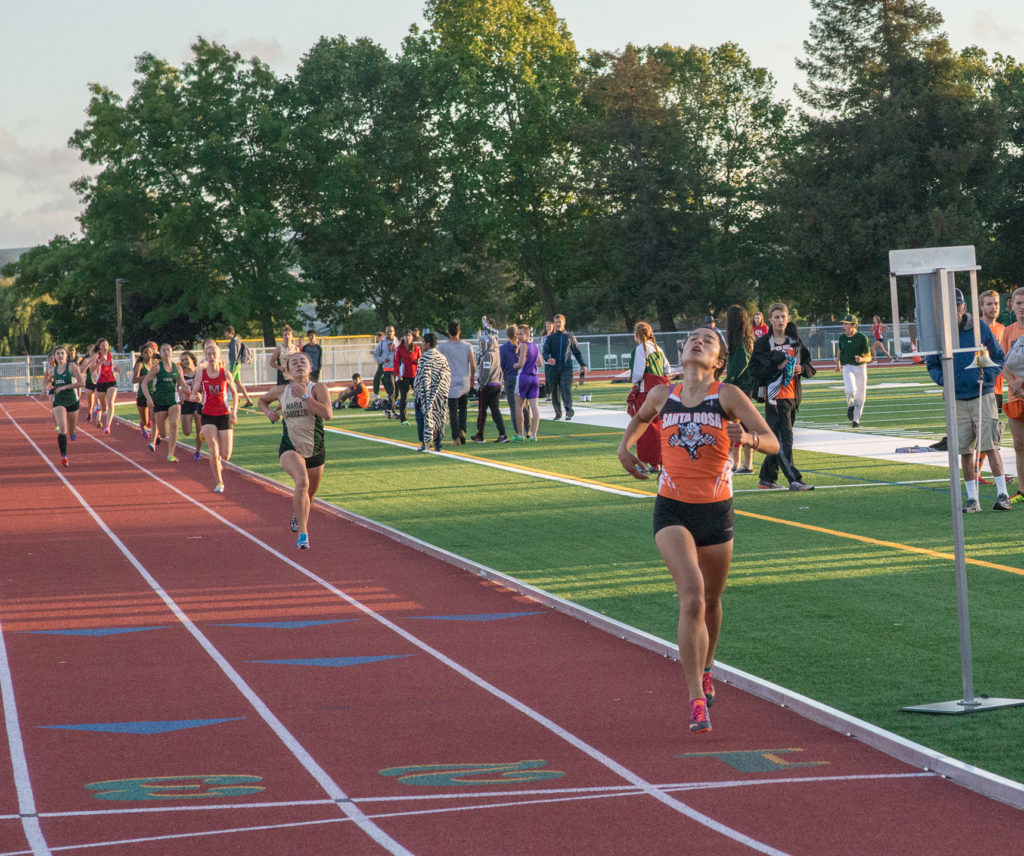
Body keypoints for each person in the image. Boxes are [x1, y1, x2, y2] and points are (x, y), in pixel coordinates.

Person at [617, 325, 779, 734]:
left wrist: (753, 441)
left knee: (711, 602)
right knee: (691, 598)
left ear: (718, 361)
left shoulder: (727, 396)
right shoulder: (661, 395)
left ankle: (707, 668)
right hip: (671, 510)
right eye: (693, 337)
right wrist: (624, 449)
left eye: (708, 340)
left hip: (716, 511)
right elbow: (638, 420)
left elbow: (773, 441)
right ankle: (694, 699)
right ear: (683, 351)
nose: (698, 341)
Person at [925, 288, 1009, 512]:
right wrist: (945, 380)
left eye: (957, 306)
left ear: (964, 307)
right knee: (964, 450)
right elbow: (932, 364)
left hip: (982, 393)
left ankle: (1003, 494)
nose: (954, 312)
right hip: (958, 397)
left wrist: (988, 376)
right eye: (948, 308)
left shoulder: (979, 327)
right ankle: (973, 498)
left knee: (990, 445)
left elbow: (998, 356)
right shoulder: (938, 333)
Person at [257, 352, 332, 549]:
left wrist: (305, 396)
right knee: (302, 482)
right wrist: (269, 413)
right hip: (290, 447)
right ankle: (303, 534)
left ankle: (298, 513)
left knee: (310, 495)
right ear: (287, 370)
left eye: (303, 361)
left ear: (310, 366)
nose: (299, 365)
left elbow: (327, 414)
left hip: (315, 448)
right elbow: (261, 401)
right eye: (294, 363)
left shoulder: (318, 388)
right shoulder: (281, 391)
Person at [749, 302, 816, 490]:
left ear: (788, 319)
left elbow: (811, 368)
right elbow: (754, 369)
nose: (780, 320)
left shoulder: (795, 342)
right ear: (770, 320)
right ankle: (794, 479)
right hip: (773, 398)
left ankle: (767, 478)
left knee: (778, 439)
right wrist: (774, 365)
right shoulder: (763, 343)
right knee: (785, 439)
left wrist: (801, 368)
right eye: (776, 317)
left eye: (783, 317)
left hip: (792, 397)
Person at [191, 340, 238, 493]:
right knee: (213, 450)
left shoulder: (225, 373)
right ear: (205, 357)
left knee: (225, 455)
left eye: (214, 354)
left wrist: (235, 412)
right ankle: (219, 482)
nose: (211, 357)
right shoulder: (201, 374)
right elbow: (194, 393)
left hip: (224, 415)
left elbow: (235, 394)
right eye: (208, 354)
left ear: (219, 356)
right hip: (208, 415)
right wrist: (196, 396)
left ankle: (217, 460)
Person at [626, 322, 671, 472]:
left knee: (643, 428)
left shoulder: (640, 349)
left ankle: (644, 462)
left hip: (645, 392)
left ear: (637, 335)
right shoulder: (658, 349)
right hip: (661, 392)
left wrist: (634, 382)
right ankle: (657, 462)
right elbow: (667, 370)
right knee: (658, 427)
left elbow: (637, 374)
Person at [723, 306, 756, 473]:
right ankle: (737, 463)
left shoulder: (742, 340)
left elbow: (740, 365)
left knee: (740, 425)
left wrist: (726, 382)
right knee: (737, 425)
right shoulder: (742, 339)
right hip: (740, 386)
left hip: (741, 387)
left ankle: (745, 464)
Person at [141, 343, 185, 461]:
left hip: (173, 400)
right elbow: (144, 383)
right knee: (164, 433)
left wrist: (189, 392)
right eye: (164, 350)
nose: (166, 352)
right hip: (159, 402)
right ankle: (159, 436)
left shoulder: (177, 368)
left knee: (174, 424)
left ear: (172, 352)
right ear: (160, 353)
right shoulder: (157, 368)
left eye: (168, 349)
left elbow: (183, 384)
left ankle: (171, 454)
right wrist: (149, 399)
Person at [1000, 287, 1024, 503]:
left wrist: (1021, 381)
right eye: (1018, 303)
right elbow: (1000, 361)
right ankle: (1023, 490)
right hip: (1015, 394)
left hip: (1020, 386)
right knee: (1018, 445)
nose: (1022, 307)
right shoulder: (1008, 331)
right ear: (1013, 305)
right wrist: (1012, 382)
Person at [542, 314, 588, 421]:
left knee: (566, 389)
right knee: (555, 391)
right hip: (553, 369)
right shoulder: (550, 338)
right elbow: (545, 351)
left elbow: (577, 352)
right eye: (556, 322)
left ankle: (569, 411)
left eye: (560, 322)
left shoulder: (570, 337)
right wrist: (548, 359)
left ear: (564, 323)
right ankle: (558, 413)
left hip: (566, 368)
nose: (558, 324)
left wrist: (583, 364)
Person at [437, 320, 476, 444]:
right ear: (459, 331)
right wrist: (472, 378)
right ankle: (463, 430)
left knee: (453, 411)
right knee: (463, 408)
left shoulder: (442, 347)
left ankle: (456, 437)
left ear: (448, 332)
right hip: (464, 381)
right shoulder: (467, 346)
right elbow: (473, 364)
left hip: (450, 382)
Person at [44, 345, 84, 467]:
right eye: (58, 354)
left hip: (72, 401)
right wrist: (46, 387)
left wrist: (65, 387)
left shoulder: (72, 367)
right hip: (59, 402)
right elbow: (47, 382)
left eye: (62, 353)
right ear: (54, 357)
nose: (60, 355)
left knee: (71, 432)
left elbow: (81, 382)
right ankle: (64, 456)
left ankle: (72, 433)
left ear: (66, 355)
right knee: (62, 428)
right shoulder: (52, 370)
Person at [413, 332, 451, 452]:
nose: (421, 344)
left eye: (423, 342)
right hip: (440, 394)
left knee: (423, 418)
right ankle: (438, 443)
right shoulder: (442, 358)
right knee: (439, 416)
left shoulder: (424, 358)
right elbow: (447, 376)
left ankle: (425, 442)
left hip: (426, 394)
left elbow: (420, 378)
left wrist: (419, 392)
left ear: (428, 344)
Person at [835, 314, 871, 428]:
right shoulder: (842, 338)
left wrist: (862, 359)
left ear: (854, 325)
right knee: (850, 389)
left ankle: (856, 421)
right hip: (847, 366)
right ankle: (850, 405)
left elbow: (869, 357)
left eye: (846, 324)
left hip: (860, 367)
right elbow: (839, 350)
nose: (843, 326)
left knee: (861, 397)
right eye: (843, 324)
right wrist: (838, 363)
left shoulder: (862, 338)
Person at [470, 331, 507, 442]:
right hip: (496, 384)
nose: (481, 346)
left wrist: (481, 384)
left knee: (482, 411)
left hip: (488, 386)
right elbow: (500, 370)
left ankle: (480, 435)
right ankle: (502, 434)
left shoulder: (488, 355)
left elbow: (486, 371)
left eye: (482, 344)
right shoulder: (497, 353)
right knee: (495, 411)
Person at [512, 324, 541, 441]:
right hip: (534, 378)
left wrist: (515, 365)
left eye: (521, 334)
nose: (518, 337)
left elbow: (521, 363)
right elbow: (539, 363)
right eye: (517, 334)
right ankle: (534, 435)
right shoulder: (534, 345)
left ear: (527, 335)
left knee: (518, 406)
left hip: (523, 377)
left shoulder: (523, 345)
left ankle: (520, 435)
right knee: (534, 407)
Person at [499, 324, 528, 433]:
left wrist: (501, 380)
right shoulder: (523, 346)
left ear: (507, 335)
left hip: (510, 378)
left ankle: (518, 432)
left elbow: (501, 365)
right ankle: (528, 430)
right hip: (522, 377)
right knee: (525, 406)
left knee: (514, 406)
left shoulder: (504, 348)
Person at [178, 350, 204, 461]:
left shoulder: (200, 372)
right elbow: (175, 387)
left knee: (199, 429)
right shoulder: (181, 373)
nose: (184, 362)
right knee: (187, 431)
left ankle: (197, 452)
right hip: (186, 403)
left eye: (186, 359)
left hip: (197, 403)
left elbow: (204, 388)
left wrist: (201, 396)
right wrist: (179, 396)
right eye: (182, 360)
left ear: (192, 360)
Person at [92, 338, 119, 435]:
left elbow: (111, 366)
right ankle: (98, 408)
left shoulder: (110, 355)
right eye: (103, 345)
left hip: (111, 381)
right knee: (104, 409)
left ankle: (107, 426)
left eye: (106, 345)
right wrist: (100, 362)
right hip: (101, 382)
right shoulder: (96, 356)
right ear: (99, 347)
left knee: (110, 402)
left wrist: (115, 368)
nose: (105, 347)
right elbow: (92, 369)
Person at [393, 330, 421, 424]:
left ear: (412, 337)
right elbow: (396, 362)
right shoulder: (399, 348)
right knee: (404, 397)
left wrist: (417, 361)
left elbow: (420, 359)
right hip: (403, 376)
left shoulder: (416, 348)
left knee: (419, 396)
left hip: (414, 375)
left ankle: (420, 416)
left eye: (409, 336)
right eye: (405, 336)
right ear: (403, 337)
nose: (407, 337)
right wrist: (398, 374)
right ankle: (403, 419)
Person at [224, 326, 255, 407]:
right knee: (238, 383)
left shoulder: (233, 342)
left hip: (234, 364)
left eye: (226, 333)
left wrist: (232, 368)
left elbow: (234, 355)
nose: (225, 335)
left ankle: (234, 399)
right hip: (238, 364)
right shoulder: (236, 341)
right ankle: (248, 400)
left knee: (228, 382)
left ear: (230, 333)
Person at [131, 343, 156, 440]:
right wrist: (147, 376)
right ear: (142, 355)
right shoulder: (140, 365)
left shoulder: (155, 365)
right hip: (142, 395)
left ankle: (155, 436)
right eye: (146, 353)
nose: (148, 354)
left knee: (154, 417)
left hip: (153, 394)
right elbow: (134, 380)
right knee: (145, 421)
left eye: (150, 352)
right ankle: (142, 425)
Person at [373, 326, 399, 416]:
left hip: (397, 369)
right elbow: (376, 355)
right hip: (387, 369)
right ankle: (393, 411)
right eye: (387, 331)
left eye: (390, 331)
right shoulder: (382, 343)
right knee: (392, 390)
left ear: (394, 332)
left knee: (396, 392)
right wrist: (382, 360)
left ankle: (388, 409)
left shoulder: (398, 342)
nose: (389, 333)